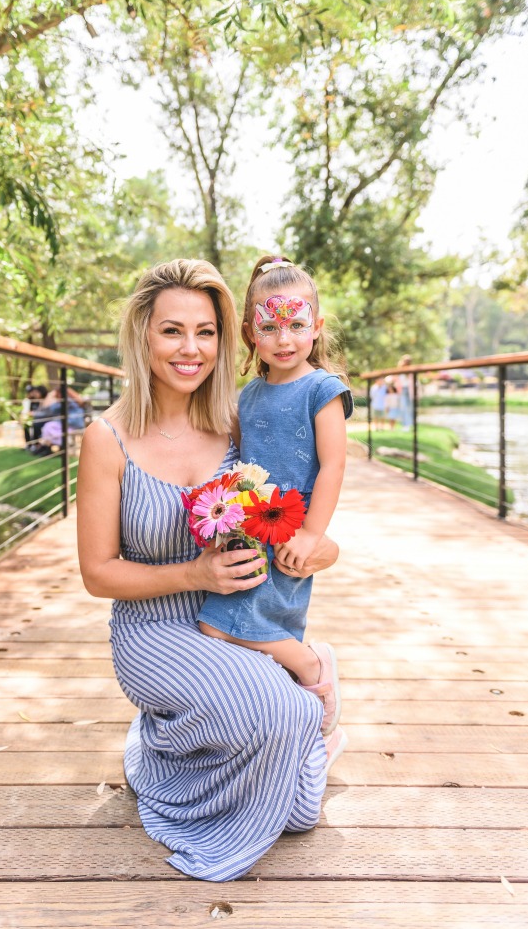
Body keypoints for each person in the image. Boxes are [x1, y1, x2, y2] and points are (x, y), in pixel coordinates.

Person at [77, 258, 340, 882]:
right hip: (152, 630)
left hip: (232, 618)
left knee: (300, 806)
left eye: (206, 331)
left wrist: (321, 547)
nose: (190, 349)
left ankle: (201, 737)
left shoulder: (239, 422)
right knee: (286, 715)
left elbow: (299, 511)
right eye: (172, 330)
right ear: (143, 335)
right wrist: (193, 575)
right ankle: (162, 747)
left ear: (226, 339)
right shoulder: (105, 438)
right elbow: (97, 574)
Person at [197, 256, 352, 749]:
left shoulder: (322, 391)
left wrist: (310, 535)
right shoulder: (249, 395)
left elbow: (333, 465)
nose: (284, 340)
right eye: (270, 326)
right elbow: (242, 457)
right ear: (250, 333)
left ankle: (311, 667)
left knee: (231, 626)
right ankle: (292, 713)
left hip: (289, 528)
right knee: (230, 626)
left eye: (296, 325)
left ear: (316, 326)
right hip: (248, 525)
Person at [396, 354, 414, 430]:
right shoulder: (400, 370)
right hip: (402, 390)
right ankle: (405, 424)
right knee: (403, 407)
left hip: (408, 390)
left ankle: (409, 424)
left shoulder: (410, 371)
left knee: (409, 408)